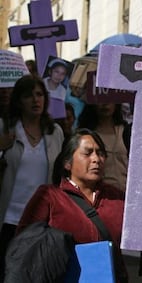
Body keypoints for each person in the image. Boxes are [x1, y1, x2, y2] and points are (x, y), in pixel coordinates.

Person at [16, 128, 142, 282]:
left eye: (100, 153)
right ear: (67, 163)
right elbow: (25, 244)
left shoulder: (116, 197)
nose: (96, 159)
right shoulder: (50, 196)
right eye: (87, 153)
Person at [0, 75, 64, 280]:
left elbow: (61, 174)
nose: (36, 100)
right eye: (29, 96)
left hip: (40, 221)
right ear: (19, 100)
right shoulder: (5, 128)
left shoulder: (55, 132)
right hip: (7, 219)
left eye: (39, 95)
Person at [78, 103, 131, 191]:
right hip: (101, 196)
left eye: (110, 98)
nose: (105, 104)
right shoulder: (85, 135)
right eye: (101, 100)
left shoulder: (126, 131)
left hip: (128, 195)